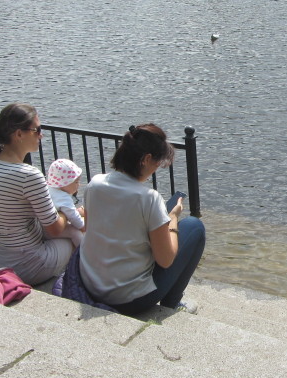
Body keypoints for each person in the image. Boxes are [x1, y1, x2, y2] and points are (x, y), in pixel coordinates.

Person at [79, 123, 206, 315]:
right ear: (146, 159)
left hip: (90, 285)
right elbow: (165, 260)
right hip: (128, 300)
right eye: (158, 162)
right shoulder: (148, 198)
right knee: (194, 226)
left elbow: (88, 230)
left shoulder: (94, 184)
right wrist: (172, 219)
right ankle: (171, 303)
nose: (157, 168)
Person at [0, 103, 73, 286]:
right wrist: (69, 211)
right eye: (37, 130)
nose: (41, 135)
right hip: (24, 266)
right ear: (19, 134)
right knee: (76, 238)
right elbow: (55, 229)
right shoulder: (28, 175)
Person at [46, 158, 85, 248]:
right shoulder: (63, 198)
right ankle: (83, 256)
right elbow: (74, 217)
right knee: (75, 233)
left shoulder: (48, 188)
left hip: (41, 227)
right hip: (50, 230)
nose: (78, 185)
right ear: (64, 183)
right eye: (76, 182)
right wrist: (84, 227)